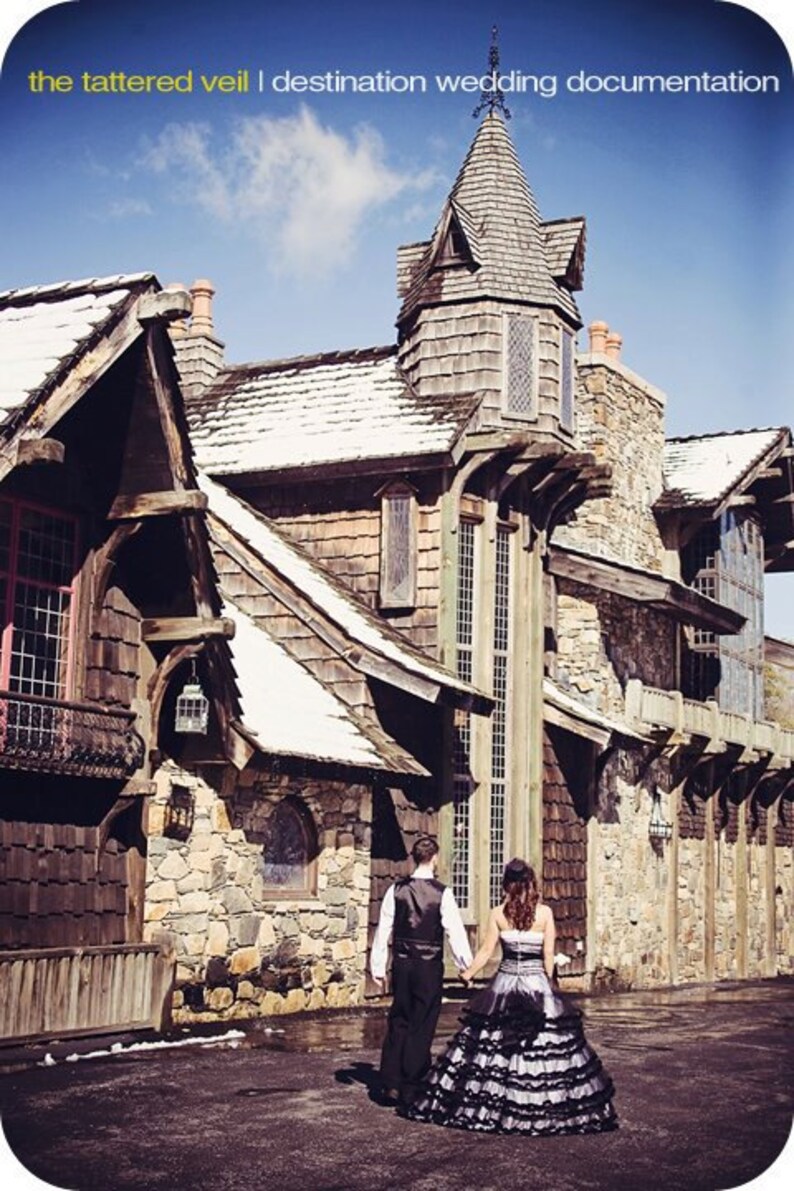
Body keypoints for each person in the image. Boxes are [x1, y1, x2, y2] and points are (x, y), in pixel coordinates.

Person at [405, 857, 617, 1134]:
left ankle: (492, 1105)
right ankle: (542, 1105)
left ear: (506, 884)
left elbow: (485, 951)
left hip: (504, 983)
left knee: (491, 1046)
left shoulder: (498, 913)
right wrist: (550, 985)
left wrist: (468, 973)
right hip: (536, 983)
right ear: (532, 883)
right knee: (544, 1046)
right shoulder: (544, 914)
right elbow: (548, 955)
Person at [371, 835, 473, 1107]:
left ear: (414, 858)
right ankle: (411, 1083)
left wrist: (378, 966)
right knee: (422, 1021)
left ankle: (390, 1081)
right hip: (428, 965)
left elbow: (384, 930)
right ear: (435, 858)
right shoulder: (443, 892)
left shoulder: (396, 890)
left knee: (399, 1017)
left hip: (403, 963)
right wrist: (466, 964)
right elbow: (454, 931)